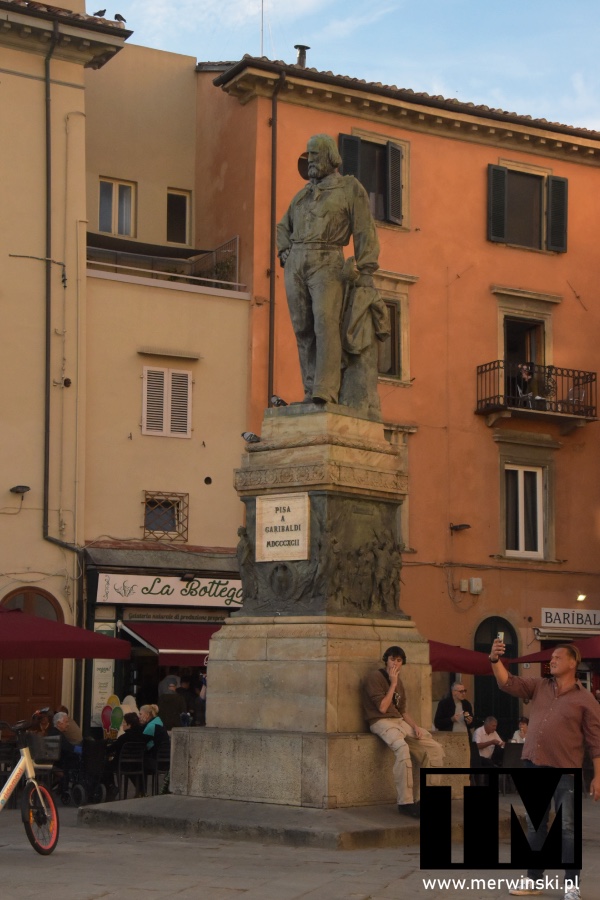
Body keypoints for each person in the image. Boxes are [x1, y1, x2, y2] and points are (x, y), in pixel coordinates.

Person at [489, 638, 600, 900]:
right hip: (534, 765)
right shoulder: (539, 685)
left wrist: (598, 775)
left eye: (558, 657)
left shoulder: (585, 700)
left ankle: (572, 886)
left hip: (565, 771)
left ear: (573, 662)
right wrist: (494, 660)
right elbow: (508, 682)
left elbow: (596, 741)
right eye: (551, 657)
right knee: (535, 825)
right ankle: (534, 879)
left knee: (568, 828)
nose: (552, 660)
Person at [277, 134, 380, 405]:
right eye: (308, 154)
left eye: (314, 154)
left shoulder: (349, 188)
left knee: (325, 323)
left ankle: (326, 390)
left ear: (330, 157)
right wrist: (284, 248)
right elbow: (282, 226)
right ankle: (310, 391)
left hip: (328, 258)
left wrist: (365, 268)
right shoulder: (302, 195)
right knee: (302, 328)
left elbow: (364, 229)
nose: (309, 160)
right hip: (296, 260)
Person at [361, 645, 445, 818]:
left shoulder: (400, 683)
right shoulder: (374, 677)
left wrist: (415, 726)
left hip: (399, 721)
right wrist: (392, 684)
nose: (395, 664)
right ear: (386, 660)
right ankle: (405, 802)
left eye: (399, 660)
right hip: (380, 721)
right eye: (392, 659)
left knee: (435, 749)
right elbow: (383, 708)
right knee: (402, 749)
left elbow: (402, 711)